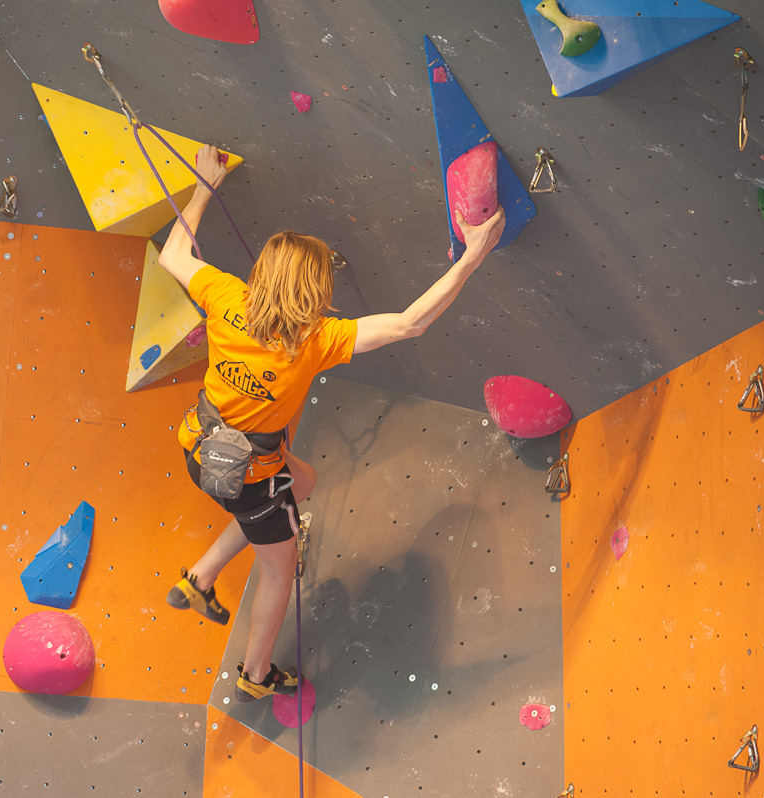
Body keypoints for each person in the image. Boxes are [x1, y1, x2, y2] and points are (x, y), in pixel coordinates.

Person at [158, 144, 506, 701]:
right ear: (315, 290)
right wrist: (472, 257)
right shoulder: (314, 339)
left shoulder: (226, 297)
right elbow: (409, 323)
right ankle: (256, 675)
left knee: (305, 482)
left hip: (197, 446)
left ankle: (199, 577)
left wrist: (204, 187)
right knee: (278, 572)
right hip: (251, 479)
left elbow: (173, 255)